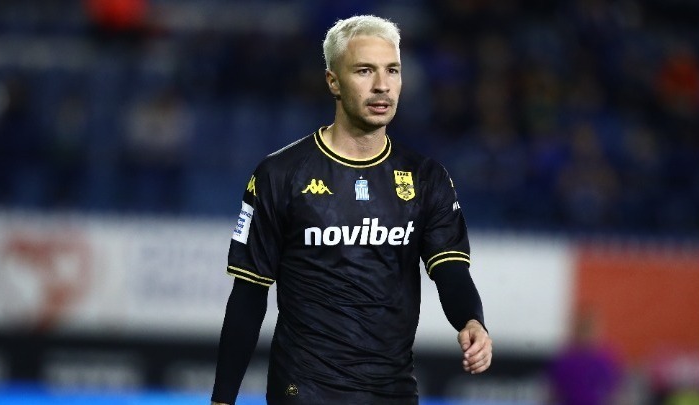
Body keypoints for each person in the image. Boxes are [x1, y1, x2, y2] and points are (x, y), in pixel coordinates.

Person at [211, 15, 492, 405]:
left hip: (392, 391)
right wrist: (222, 399)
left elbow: (451, 272)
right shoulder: (280, 174)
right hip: (304, 390)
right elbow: (249, 292)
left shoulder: (427, 178)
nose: (382, 85)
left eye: (392, 70)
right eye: (364, 71)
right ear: (333, 82)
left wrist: (471, 320)